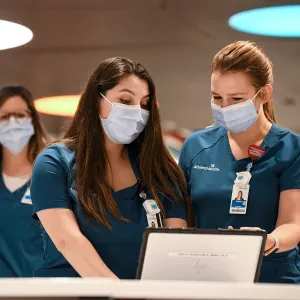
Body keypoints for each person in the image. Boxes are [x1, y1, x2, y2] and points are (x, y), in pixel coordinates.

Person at [30, 57, 187, 279]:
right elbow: (68, 241)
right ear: (96, 100)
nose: (136, 112)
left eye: (144, 105)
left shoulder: (160, 170)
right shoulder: (54, 163)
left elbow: (174, 248)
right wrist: (117, 292)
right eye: (125, 100)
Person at [179, 41, 300, 284]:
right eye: (217, 97)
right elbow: (182, 221)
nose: (225, 107)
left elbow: (292, 223)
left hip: (273, 281)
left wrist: (270, 241)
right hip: (207, 279)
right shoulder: (196, 147)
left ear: (264, 94)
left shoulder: (290, 149)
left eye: (236, 98)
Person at [0, 85, 48, 277]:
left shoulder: (49, 178)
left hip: (41, 291)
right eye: (3, 116)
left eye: (19, 115)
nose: (12, 122)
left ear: (33, 120)